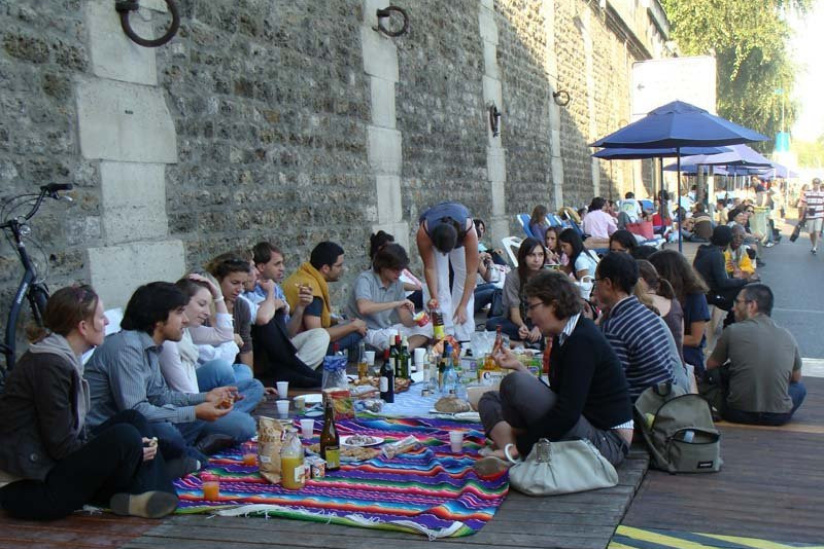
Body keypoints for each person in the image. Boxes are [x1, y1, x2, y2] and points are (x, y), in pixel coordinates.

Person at [0, 285, 178, 520]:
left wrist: (134, 447)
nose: (106, 322)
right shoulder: (49, 365)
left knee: (132, 420)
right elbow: (61, 447)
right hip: (33, 489)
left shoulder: (63, 358)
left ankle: (144, 494)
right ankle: (148, 492)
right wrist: (131, 448)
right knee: (125, 436)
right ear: (82, 327)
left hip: (49, 471)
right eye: (100, 317)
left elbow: (72, 438)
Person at [475, 271, 633, 476]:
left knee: (514, 384)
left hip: (607, 442)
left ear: (555, 304)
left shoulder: (582, 341)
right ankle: (517, 453)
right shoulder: (563, 336)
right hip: (582, 424)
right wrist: (519, 366)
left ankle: (514, 453)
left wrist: (520, 446)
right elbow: (558, 397)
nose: (529, 316)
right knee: (489, 400)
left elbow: (566, 413)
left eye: (532, 307)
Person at [85, 282, 252, 462]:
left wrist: (205, 398)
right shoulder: (126, 347)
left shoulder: (151, 346)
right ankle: (188, 457)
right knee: (166, 431)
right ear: (158, 319)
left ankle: (185, 454)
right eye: (179, 312)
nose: (186, 320)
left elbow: (161, 396)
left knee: (244, 425)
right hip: (109, 433)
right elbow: (136, 411)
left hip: (147, 421)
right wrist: (195, 412)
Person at [159, 275, 265, 414]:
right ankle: (229, 412)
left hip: (198, 393)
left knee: (251, 381)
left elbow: (225, 335)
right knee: (221, 368)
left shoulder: (187, 330)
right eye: (202, 304)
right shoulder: (169, 340)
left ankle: (229, 411)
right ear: (182, 303)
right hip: (189, 405)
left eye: (209, 306)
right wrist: (210, 403)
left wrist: (218, 295)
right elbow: (186, 394)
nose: (208, 313)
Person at [704, 284, 806, 425]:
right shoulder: (787, 335)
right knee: (800, 388)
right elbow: (796, 377)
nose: (733, 308)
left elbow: (711, 366)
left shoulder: (732, 331)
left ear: (752, 305)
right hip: (777, 416)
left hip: (736, 412)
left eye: (738, 302)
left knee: (722, 375)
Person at [594, 253, 689, 399]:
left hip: (640, 410)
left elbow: (609, 382)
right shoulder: (648, 314)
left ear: (608, 283)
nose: (595, 288)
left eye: (597, 281)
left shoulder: (616, 326)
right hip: (664, 401)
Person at [246, 242, 330, 386]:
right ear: (261, 267)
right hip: (263, 352)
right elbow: (263, 319)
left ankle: (293, 372)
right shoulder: (249, 290)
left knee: (321, 334)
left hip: (283, 348)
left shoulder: (276, 287)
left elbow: (288, 333)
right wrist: (273, 301)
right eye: (277, 264)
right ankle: (296, 373)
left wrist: (301, 307)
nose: (282, 268)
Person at [283, 241, 367, 354]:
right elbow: (317, 336)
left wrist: (342, 322)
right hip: (298, 347)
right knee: (356, 333)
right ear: (326, 268)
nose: (343, 269)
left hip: (293, 340)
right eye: (339, 266)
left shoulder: (302, 275)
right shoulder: (311, 290)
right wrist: (353, 326)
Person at [345, 243, 432, 350]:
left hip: (387, 328)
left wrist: (418, 319)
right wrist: (395, 303)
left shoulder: (397, 284)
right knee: (391, 337)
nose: (399, 274)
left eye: (400, 269)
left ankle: (403, 351)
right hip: (367, 329)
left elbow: (405, 319)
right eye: (395, 270)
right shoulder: (365, 279)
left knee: (428, 328)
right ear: (383, 267)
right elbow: (364, 308)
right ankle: (401, 350)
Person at [416, 202, 480, 341]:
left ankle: (464, 333)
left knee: (463, 279)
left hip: (460, 232)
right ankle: (444, 332)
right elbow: (430, 268)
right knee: (440, 281)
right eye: (442, 252)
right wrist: (434, 297)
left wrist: (462, 305)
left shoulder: (468, 231)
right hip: (435, 233)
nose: (445, 256)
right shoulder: (424, 232)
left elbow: (471, 272)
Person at [649, 250, 710, 378]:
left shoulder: (695, 296)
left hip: (687, 361)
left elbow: (695, 339)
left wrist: (660, 340)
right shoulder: (656, 295)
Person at [485, 237, 545, 343]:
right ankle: (527, 340)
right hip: (517, 322)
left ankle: (524, 341)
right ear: (523, 257)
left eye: (540, 255)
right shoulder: (513, 277)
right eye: (532, 255)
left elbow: (551, 311)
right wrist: (522, 326)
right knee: (492, 324)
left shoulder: (548, 277)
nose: (537, 260)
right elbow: (514, 311)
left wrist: (539, 328)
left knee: (553, 330)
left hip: (543, 322)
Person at [693, 225, 749, 312]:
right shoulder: (716, 255)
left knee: (739, 287)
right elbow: (723, 283)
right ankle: (732, 320)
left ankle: (732, 318)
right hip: (707, 294)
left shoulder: (705, 250)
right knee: (745, 291)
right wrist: (746, 280)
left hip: (703, 291)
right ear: (728, 241)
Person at [635, 259, 684, 360]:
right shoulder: (674, 303)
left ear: (641, 281)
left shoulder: (639, 307)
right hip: (679, 369)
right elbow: (680, 341)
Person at [799, 177, 824, 254]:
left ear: (819, 184)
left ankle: (815, 247)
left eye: (818, 183)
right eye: (815, 183)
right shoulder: (807, 192)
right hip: (810, 215)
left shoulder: (822, 193)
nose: (816, 184)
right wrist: (802, 215)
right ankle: (813, 245)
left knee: (817, 231)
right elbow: (804, 204)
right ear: (812, 183)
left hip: (819, 214)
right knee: (811, 232)